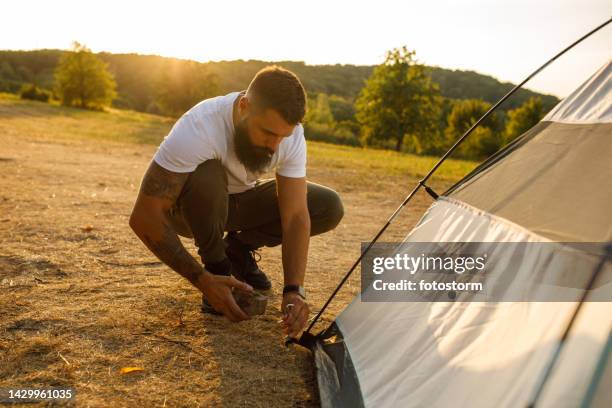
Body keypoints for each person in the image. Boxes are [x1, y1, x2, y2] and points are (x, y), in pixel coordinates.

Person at [129, 66, 344, 338]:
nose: (275, 145)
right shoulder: (200, 126)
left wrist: (293, 290)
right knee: (208, 175)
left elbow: (296, 216)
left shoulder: (288, 137)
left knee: (327, 205)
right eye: (267, 132)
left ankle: (238, 249)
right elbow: (144, 216)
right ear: (244, 106)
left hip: (238, 204)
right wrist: (204, 281)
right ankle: (218, 268)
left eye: (283, 136)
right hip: (188, 209)